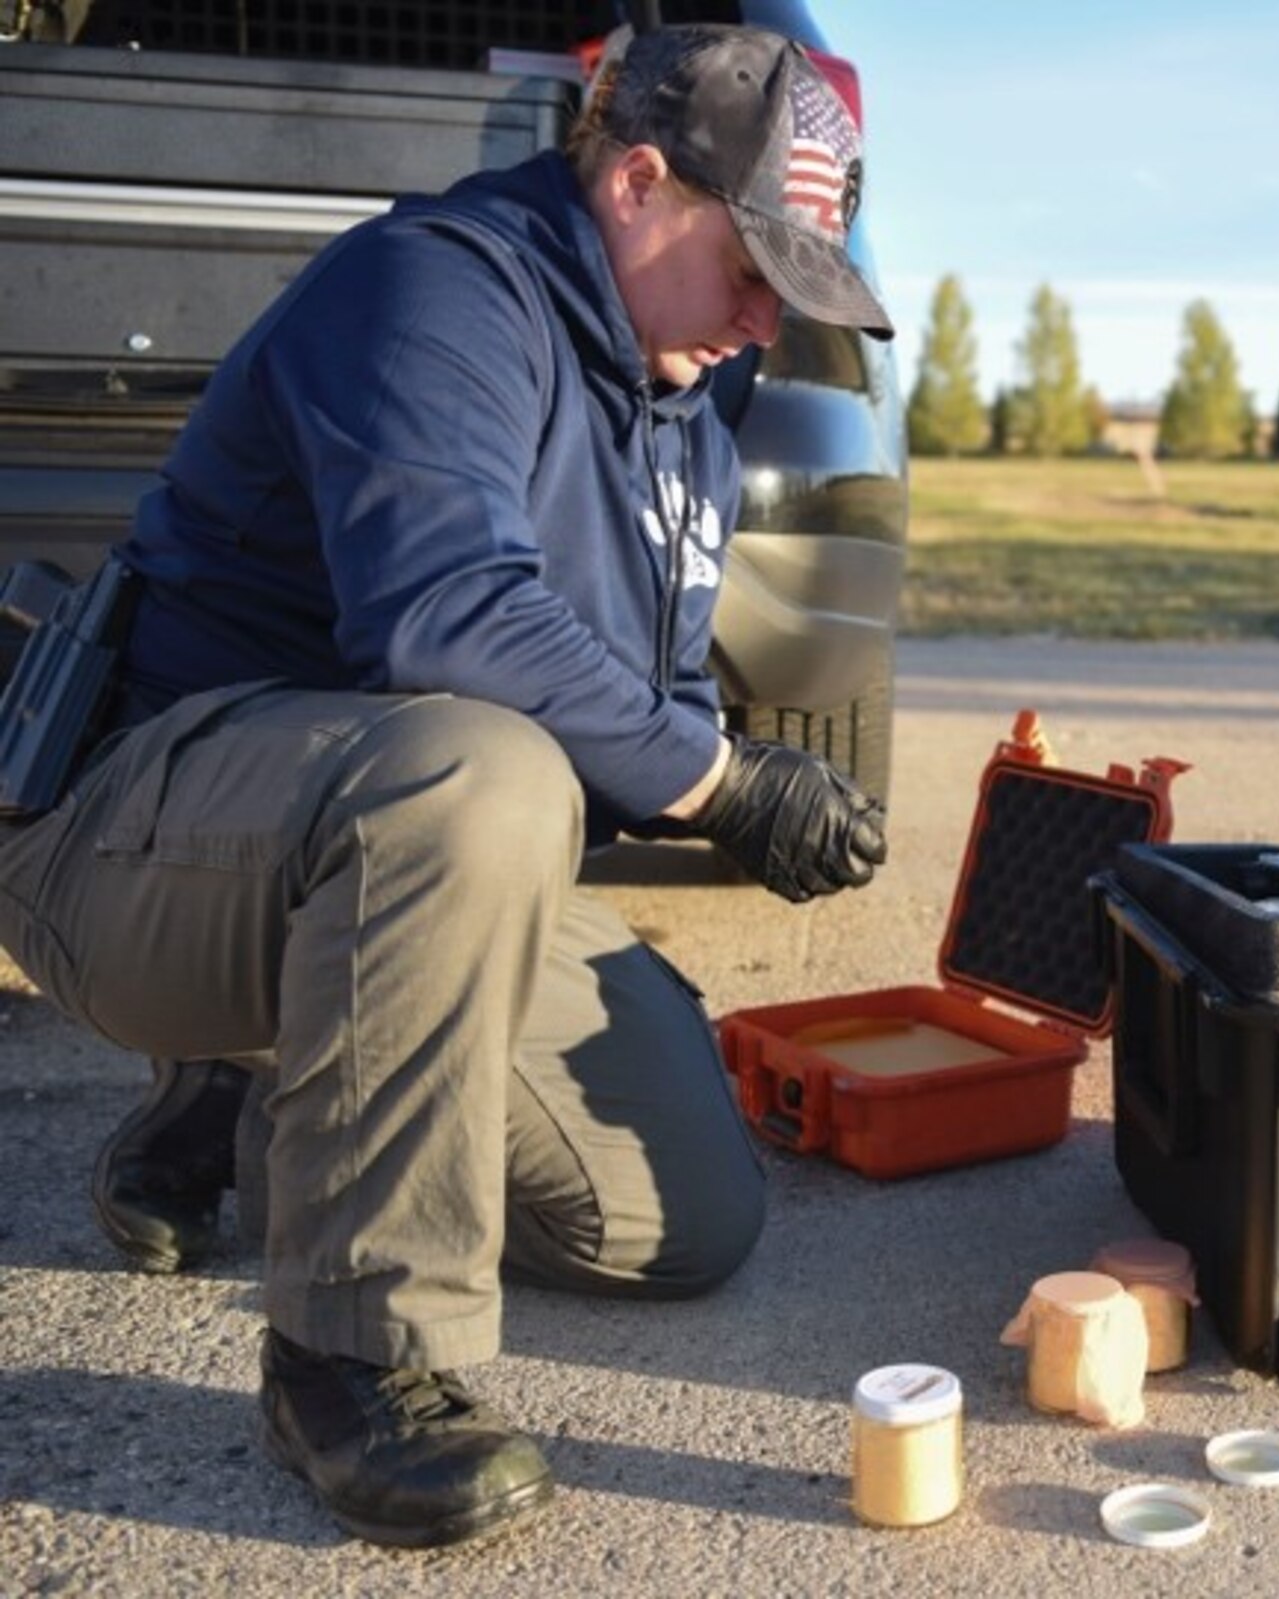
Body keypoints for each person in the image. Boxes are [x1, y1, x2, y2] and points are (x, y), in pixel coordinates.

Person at [0, 23, 891, 1550]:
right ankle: (354, 1361)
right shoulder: (435, 290)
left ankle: (265, 1087)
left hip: (377, 850)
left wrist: (685, 768)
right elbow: (450, 618)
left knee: (680, 1224)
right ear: (637, 181)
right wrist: (728, 783)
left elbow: (648, 698)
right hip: (135, 839)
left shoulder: (687, 407)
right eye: (751, 271)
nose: (762, 322)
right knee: (479, 777)